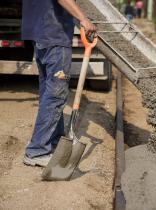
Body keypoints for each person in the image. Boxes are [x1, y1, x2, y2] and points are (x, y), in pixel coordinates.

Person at [22, 0, 96, 167]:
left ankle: (53, 141)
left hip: (40, 34)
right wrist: (83, 18)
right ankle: (37, 151)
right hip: (54, 35)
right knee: (56, 94)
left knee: (48, 92)